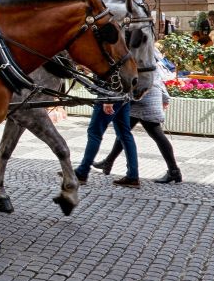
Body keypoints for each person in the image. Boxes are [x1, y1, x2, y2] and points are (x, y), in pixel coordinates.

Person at [94, 53, 182, 184]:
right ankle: (108, 162)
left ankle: (174, 171)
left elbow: (133, 77)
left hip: (142, 97)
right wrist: (164, 97)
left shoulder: (140, 53)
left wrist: (113, 97)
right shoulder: (149, 53)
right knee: (125, 132)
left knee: (154, 134)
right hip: (147, 97)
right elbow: (158, 78)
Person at [73, 101, 140, 188]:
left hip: (110, 97)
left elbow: (112, 88)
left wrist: (109, 101)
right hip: (124, 98)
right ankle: (132, 176)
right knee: (125, 135)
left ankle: (82, 172)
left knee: (94, 133)